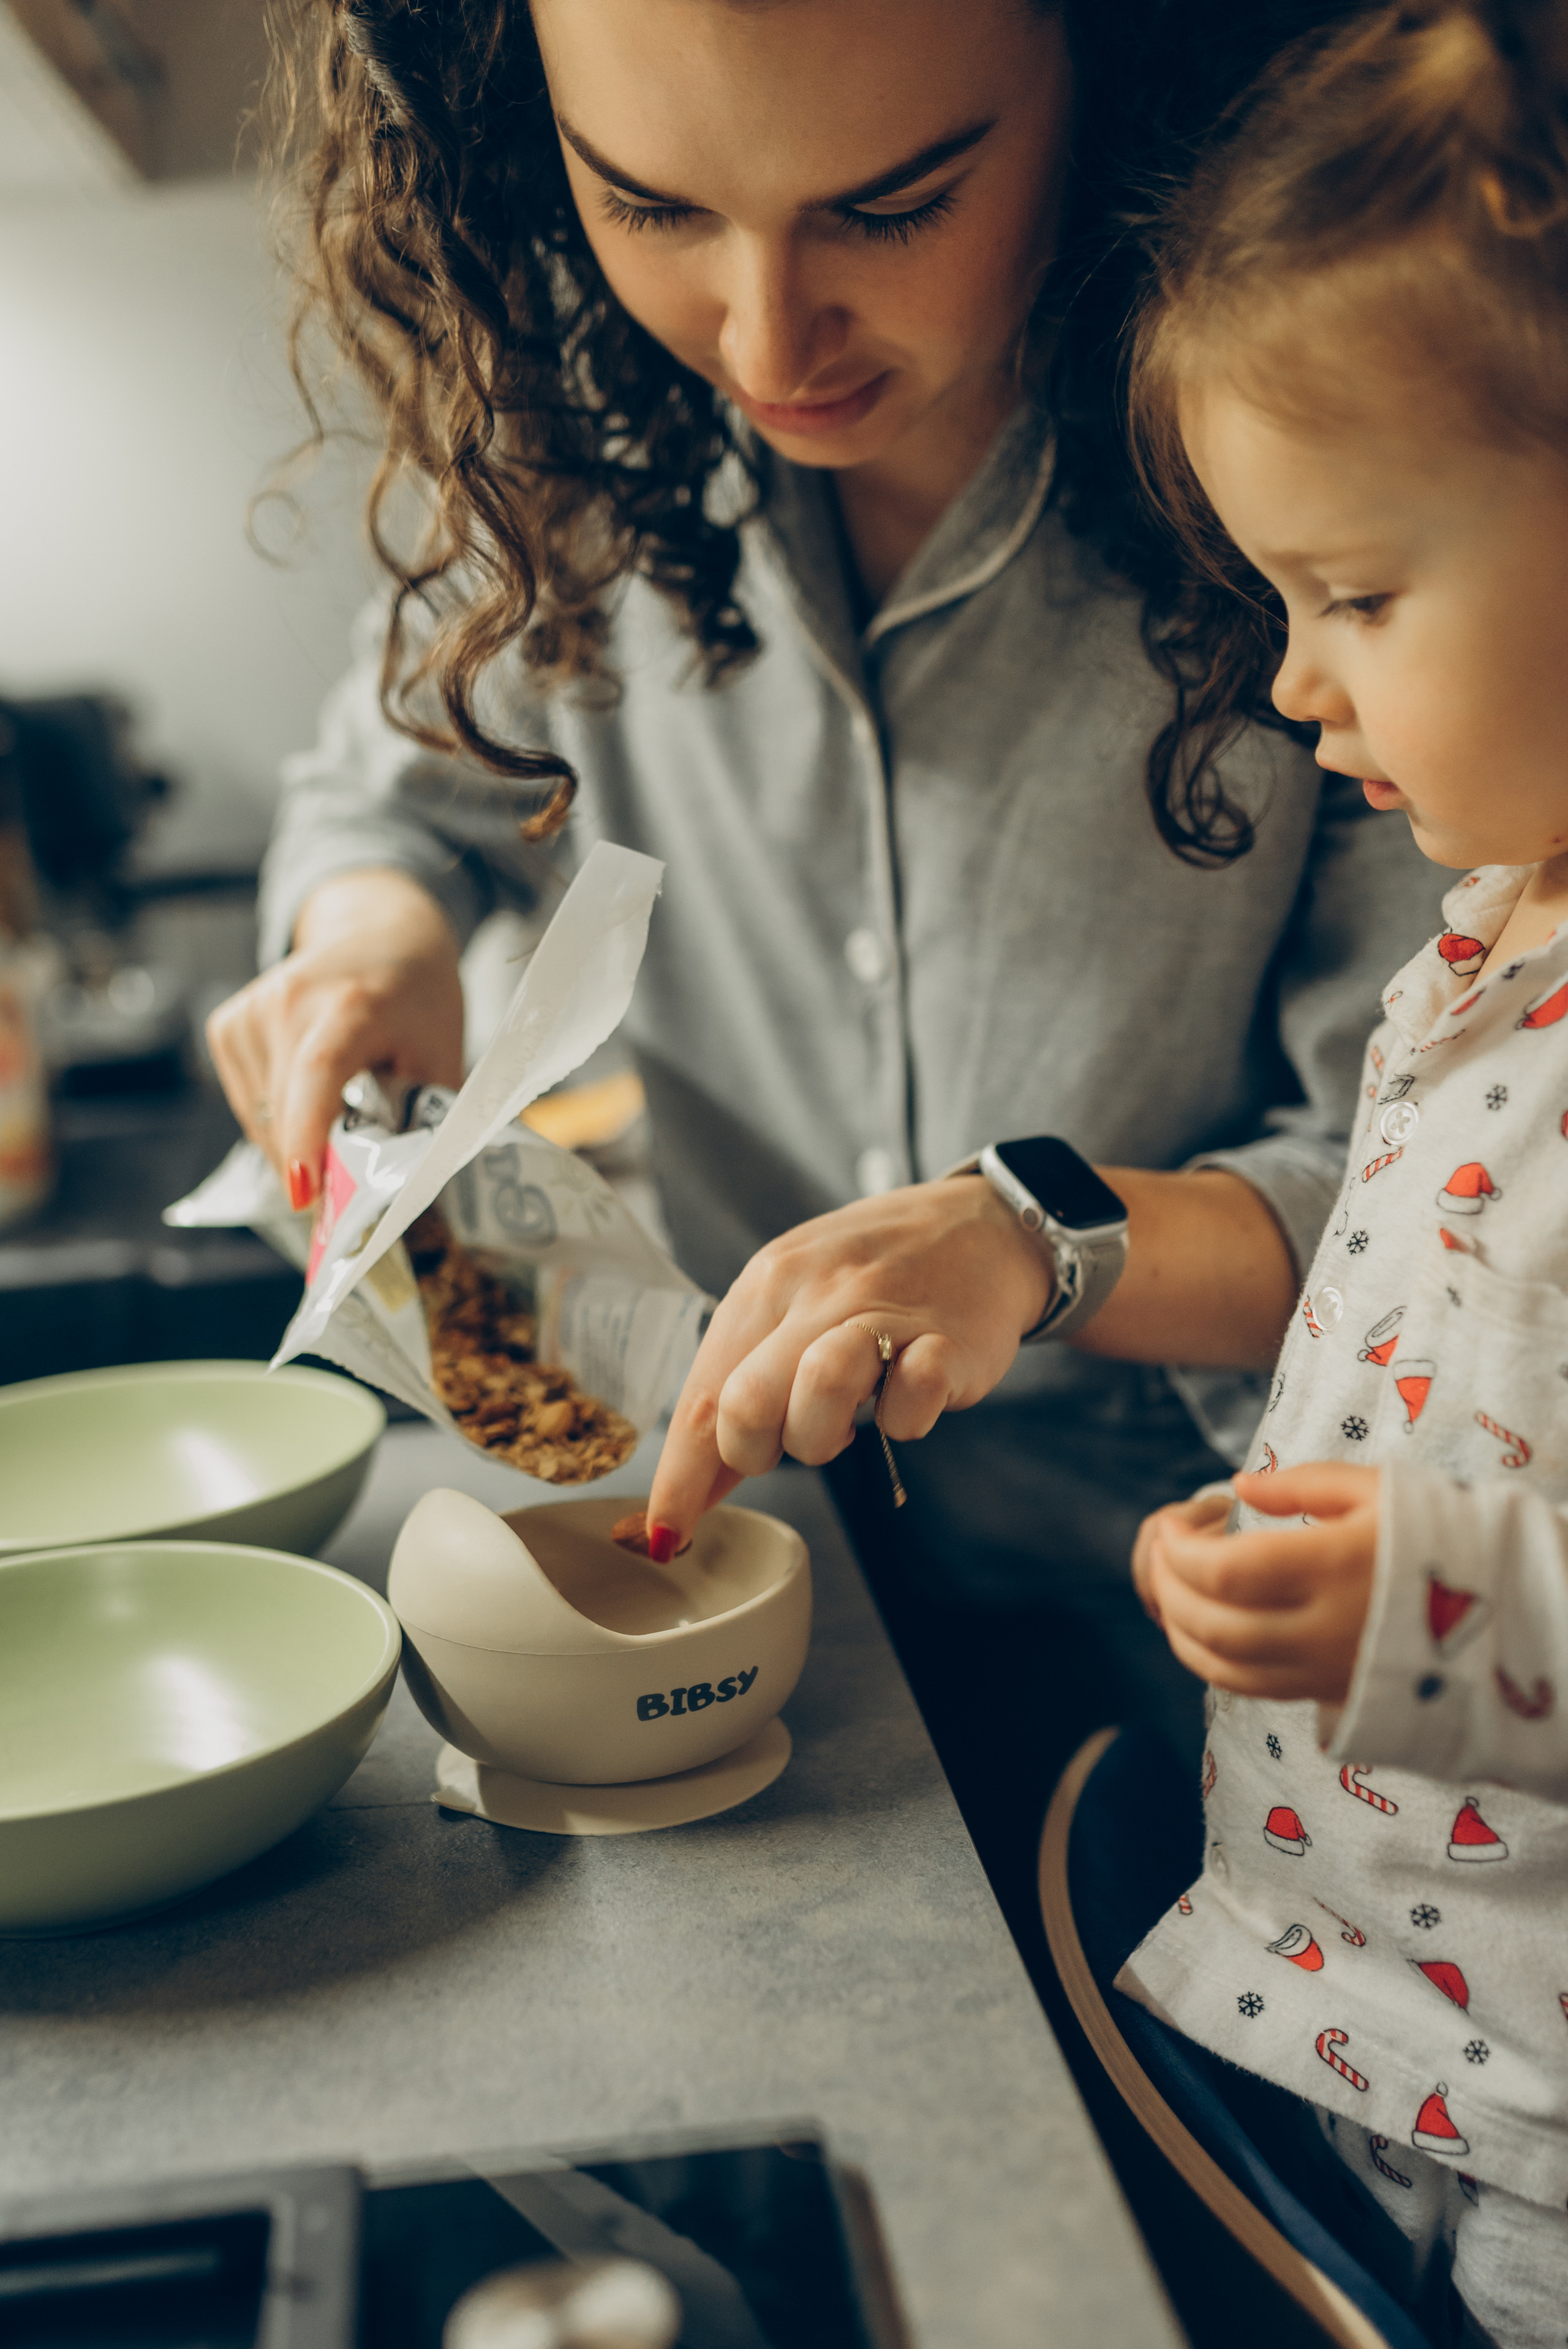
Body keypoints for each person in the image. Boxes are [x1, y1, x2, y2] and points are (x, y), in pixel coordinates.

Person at [212, 0, 1431, 1916]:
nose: (766, 342)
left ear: (1113, 85)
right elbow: (381, 802)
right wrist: (369, 940)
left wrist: (1031, 1233)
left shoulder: (1334, 490)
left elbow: (1413, 1207)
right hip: (780, 1580)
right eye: (653, 205)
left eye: (895, 205)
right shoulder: (576, 433)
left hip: (1215, 1653)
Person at [1102, 4, 1568, 2338]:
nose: (1296, 685)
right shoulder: (1495, 934)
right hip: (1398, 2033)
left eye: (1356, 597)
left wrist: (1433, 1609)